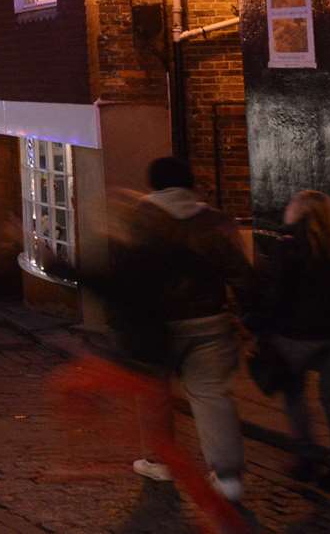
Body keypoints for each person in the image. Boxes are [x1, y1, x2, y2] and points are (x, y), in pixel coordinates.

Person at [118, 157, 256, 503]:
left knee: (155, 393)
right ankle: (226, 476)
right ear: (190, 182)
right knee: (213, 396)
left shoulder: (139, 218)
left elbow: (126, 276)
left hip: (156, 324)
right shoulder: (214, 221)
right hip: (209, 320)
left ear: (153, 183)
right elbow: (241, 274)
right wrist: (249, 317)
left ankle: (161, 460)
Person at [258, 189, 330, 494]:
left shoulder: (289, 245)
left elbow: (277, 292)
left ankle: (306, 457)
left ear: (297, 212)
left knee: (294, 395)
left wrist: (263, 326)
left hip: (299, 335)